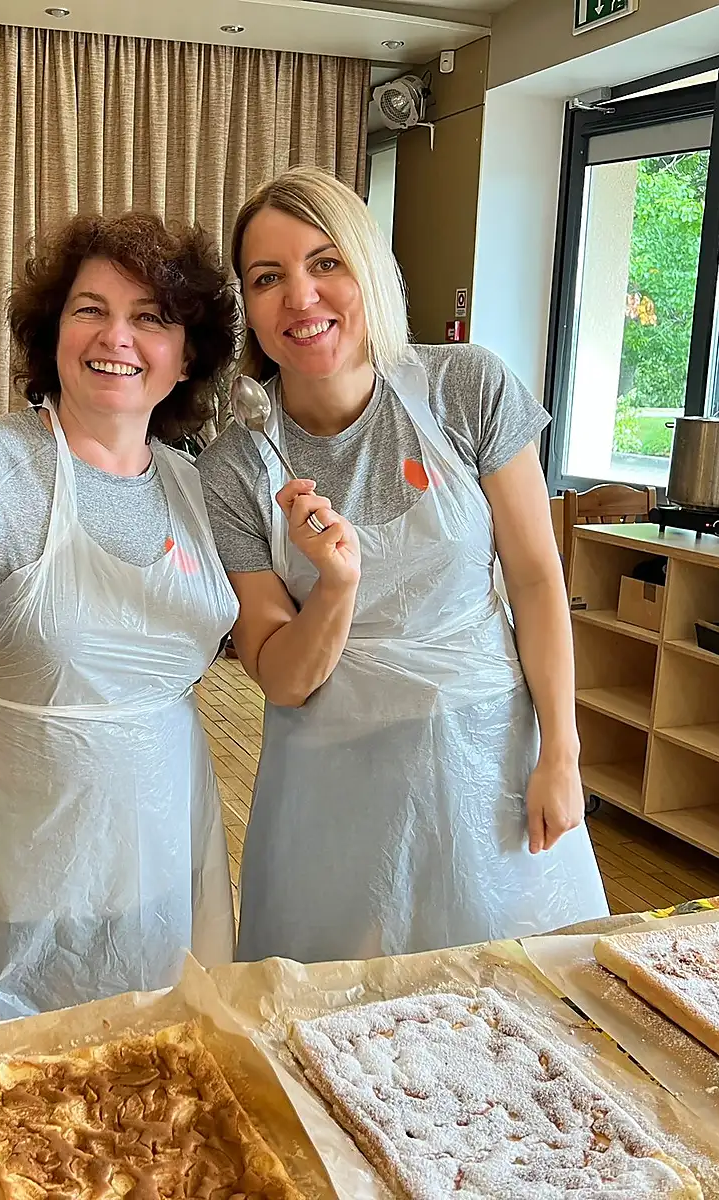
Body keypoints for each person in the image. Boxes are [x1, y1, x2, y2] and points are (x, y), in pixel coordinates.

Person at [197, 166, 609, 965]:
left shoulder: (466, 388)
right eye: (268, 278)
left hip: (488, 761)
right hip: (331, 786)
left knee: (517, 1000)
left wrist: (561, 751)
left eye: (326, 263)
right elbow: (282, 679)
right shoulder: (235, 469)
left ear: (369, 269)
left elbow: (535, 581)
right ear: (248, 305)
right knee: (339, 1014)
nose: (302, 297)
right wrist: (336, 586)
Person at [0, 212, 241, 1033]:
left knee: (153, 1083)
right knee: (4, 1089)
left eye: (150, 317)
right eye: (89, 309)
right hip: (11, 883)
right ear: (51, 334)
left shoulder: (195, 486)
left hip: (160, 864)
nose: (116, 337)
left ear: (187, 357)